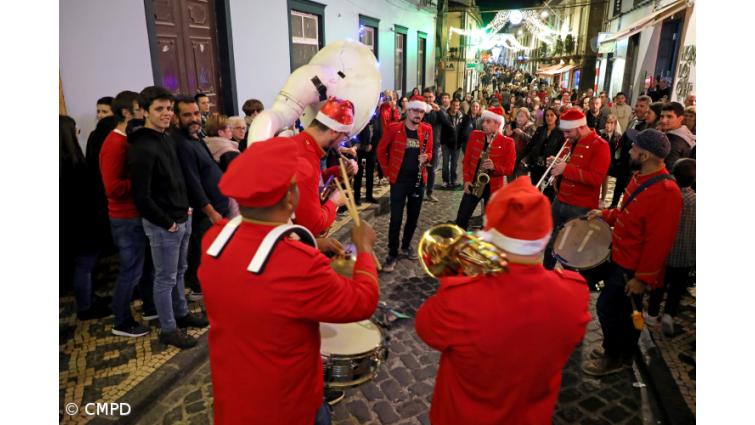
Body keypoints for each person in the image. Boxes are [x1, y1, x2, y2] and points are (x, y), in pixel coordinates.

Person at [199, 138, 379, 425]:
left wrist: (313, 242)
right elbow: (362, 302)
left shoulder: (215, 238)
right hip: (288, 404)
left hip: (232, 394)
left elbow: (258, 249)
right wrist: (365, 248)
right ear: (290, 198)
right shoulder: (300, 265)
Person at [416, 176, 591, 425]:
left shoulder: (461, 297)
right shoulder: (575, 293)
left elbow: (426, 328)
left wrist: (459, 273)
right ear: (544, 237)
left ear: (491, 235)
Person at [582, 129, 682, 375]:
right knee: (622, 312)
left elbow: (659, 242)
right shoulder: (640, 177)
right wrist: (605, 214)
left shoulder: (666, 191)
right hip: (621, 256)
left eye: (634, 148)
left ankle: (614, 357)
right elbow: (628, 213)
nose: (629, 150)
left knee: (609, 308)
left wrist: (642, 278)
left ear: (645, 156)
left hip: (634, 267)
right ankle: (620, 353)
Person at [128, 86, 208, 349]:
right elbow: (142, 197)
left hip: (181, 216)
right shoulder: (141, 146)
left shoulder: (166, 137)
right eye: (159, 109)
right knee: (165, 278)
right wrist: (168, 222)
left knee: (181, 271)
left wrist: (186, 208)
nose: (166, 113)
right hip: (164, 224)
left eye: (169, 108)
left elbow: (176, 178)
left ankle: (181, 313)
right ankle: (168, 328)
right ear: (144, 111)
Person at [100, 90, 157, 337]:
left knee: (145, 267)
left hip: (135, 213)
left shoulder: (128, 139)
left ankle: (150, 307)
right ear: (126, 112)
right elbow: (112, 188)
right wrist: (142, 180)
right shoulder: (114, 143)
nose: (144, 112)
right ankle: (121, 320)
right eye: (139, 108)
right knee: (131, 270)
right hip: (125, 217)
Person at [173, 97, 231, 302]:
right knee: (202, 251)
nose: (194, 118)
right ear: (176, 117)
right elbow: (192, 183)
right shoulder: (182, 144)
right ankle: (198, 288)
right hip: (206, 211)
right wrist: (211, 211)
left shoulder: (195, 138)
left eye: (196, 113)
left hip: (216, 205)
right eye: (187, 115)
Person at [269, 97, 352, 236]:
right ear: (334, 131)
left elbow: (312, 184)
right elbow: (312, 225)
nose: (342, 141)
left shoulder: (300, 142)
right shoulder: (306, 157)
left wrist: (338, 171)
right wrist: (334, 202)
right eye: (345, 136)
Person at [542, 109, 610, 270]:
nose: (565, 136)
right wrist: (556, 163)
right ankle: (545, 274)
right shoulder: (571, 141)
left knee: (572, 249)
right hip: (560, 200)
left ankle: (569, 280)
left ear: (581, 127)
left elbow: (596, 179)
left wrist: (565, 169)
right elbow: (571, 166)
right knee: (551, 241)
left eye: (568, 132)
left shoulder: (600, 145)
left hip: (581, 206)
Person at [60, 115, 112, 321]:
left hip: (68, 225)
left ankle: (87, 299)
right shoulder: (74, 165)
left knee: (82, 265)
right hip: (82, 224)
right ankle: (85, 307)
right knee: (85, 265)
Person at [377, 95, 433, 272]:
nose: (418, 114)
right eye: (415, 110)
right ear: (408, 111)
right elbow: (381, 151)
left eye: (421, 112)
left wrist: (427, 157)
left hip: (418, 180)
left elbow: (430, 152)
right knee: (396, 219)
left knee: (413, 218)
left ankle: (406, 245)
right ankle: (392, 253)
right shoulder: (394, 129)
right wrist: (387, 172)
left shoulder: (427, 129)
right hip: (399, 181)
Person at [647, 158, 695, 337]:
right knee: (677, 287)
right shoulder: (696, 200)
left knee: (658, 285)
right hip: (686, 254)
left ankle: (652, 313)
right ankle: (669, 314)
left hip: (665, 251)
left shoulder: (667, 196)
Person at [455, 106, 516, 229]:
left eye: (488, 121)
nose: (483, 124)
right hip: (474, 184)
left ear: (498, 124)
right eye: (484, 121)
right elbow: (466, 161)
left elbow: (509, 169)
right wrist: (466, 180)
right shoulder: (475, 135)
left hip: (493, 188)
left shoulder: (508, 142)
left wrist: (495, 167)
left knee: (489, 225)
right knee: (461, 219)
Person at [610, 95, 652, 208]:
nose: (638, 108)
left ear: (648, 108)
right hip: (624, 162)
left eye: (642, 106)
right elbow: (625, 137)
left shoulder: (648, 126)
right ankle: (613, 206)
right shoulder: (634, 120)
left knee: (629, 194)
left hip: (634, 166)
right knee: (618, 187)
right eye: (637, 105)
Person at [527, 106, 565, 201]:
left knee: (548, 194)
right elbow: (531, 145)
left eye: (552, 115)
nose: (549, 117)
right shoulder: (540, 129)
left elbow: (561, 151)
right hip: (536, 165)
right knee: (534, 191)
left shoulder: (561, 133)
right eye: (547, 115)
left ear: (556, 117)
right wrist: (519, 158)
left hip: (549, 167)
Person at [422, 88, 448, 202]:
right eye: (426, 97)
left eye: (430, 97)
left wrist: (439, 111)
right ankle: (418, 191)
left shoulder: (439, 108)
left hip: (434, 144)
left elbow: (447, 122)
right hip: (421, 144)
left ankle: (430, 192)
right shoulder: (420, 108)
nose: (428, 99)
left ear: (434, 97)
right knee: (419, 169)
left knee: (432, 170)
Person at [659, 102, 695, 171]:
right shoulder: (686, 133)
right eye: (662, 116)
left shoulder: (671, 142)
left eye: (669, 117)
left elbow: (670, 171)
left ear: (680, 118)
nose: (664, 120)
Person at [353, 111, 379, 206]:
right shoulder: (359, 120)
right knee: (358, 174)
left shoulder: (375, 118)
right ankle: (357, 197)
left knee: (370, 174)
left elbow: (378, 133)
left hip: (371, 151)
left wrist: (372, 145)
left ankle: (369, 195)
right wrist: (364, 145)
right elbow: (355, 135)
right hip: (360, 151)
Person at [600, 114, 623, 208]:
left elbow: (618, 151)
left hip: (610, 161)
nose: (608, 125)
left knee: (605, 181)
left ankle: (603, 199)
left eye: (611, 123)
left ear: (615, 124)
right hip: (600, 159)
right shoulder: (601, 133)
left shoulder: (618, 136)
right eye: (607, 122)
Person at [505, 107, 535, 177]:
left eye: (522, 116)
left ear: (527, 118)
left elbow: (533, 141)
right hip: (511, 156)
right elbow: (506, 140)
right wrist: (507, 135)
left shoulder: (530, 127)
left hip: (523, 159)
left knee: (520, 180)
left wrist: (522, 133)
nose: (519, 118)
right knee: (510, 179)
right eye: (518, 116)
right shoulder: (513, 124)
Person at [440, 98, 464, 189]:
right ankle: (445, 181)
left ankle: (453, 181)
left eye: (457, 105)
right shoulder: (445, 115)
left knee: (454, 164)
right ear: (451, 105)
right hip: (446, 143)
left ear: (459, 106)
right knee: (445, 164)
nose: (455, 107)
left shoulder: (461, 116)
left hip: (457, 144)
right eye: (454, 105)